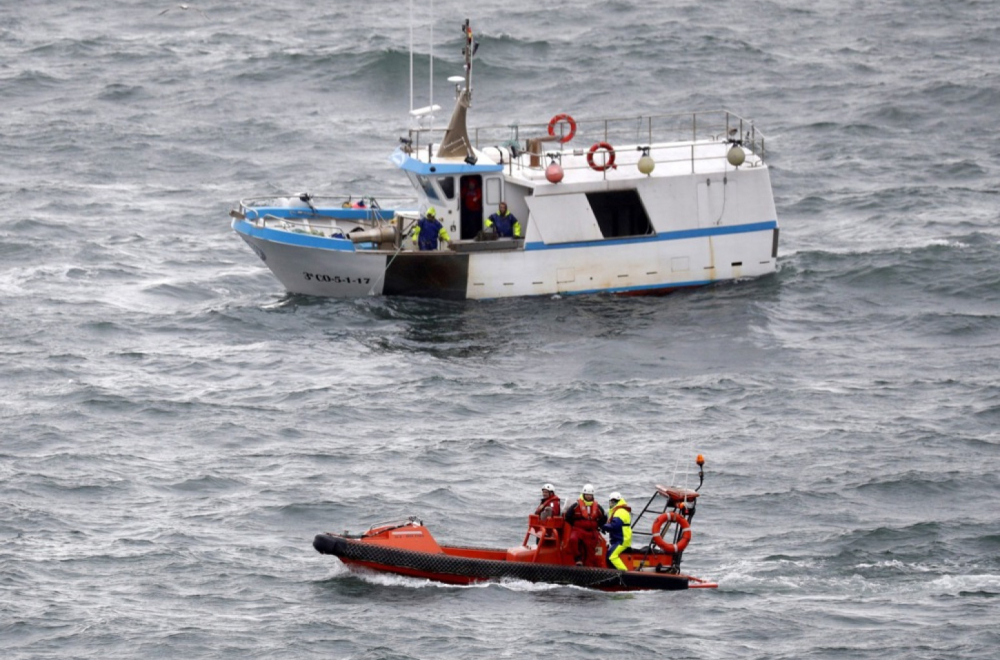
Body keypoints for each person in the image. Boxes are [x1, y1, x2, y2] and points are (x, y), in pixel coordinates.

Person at [563, 484, 606, 566]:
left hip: (592, 532)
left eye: (590, 495)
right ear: (583, 494)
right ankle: (577, 558)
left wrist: (598, 526)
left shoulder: (597, 507)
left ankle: (588, 568)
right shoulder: (576, 505)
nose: (589, 497)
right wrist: (574, 525)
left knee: (591, 551)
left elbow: (604, 518)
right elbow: (568, 516)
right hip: (578, 530)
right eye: (587, 495)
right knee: (573, 539)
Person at [601, 492, 632, 571]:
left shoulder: (620, 512)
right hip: (618, 539)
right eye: (611, 501)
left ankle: (625, 573)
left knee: (611, 556)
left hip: (622, 540)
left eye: (613, 502)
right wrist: (605, 528)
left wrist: (602, 526)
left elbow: (615, 526)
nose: (611, 503)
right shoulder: (618, 511)